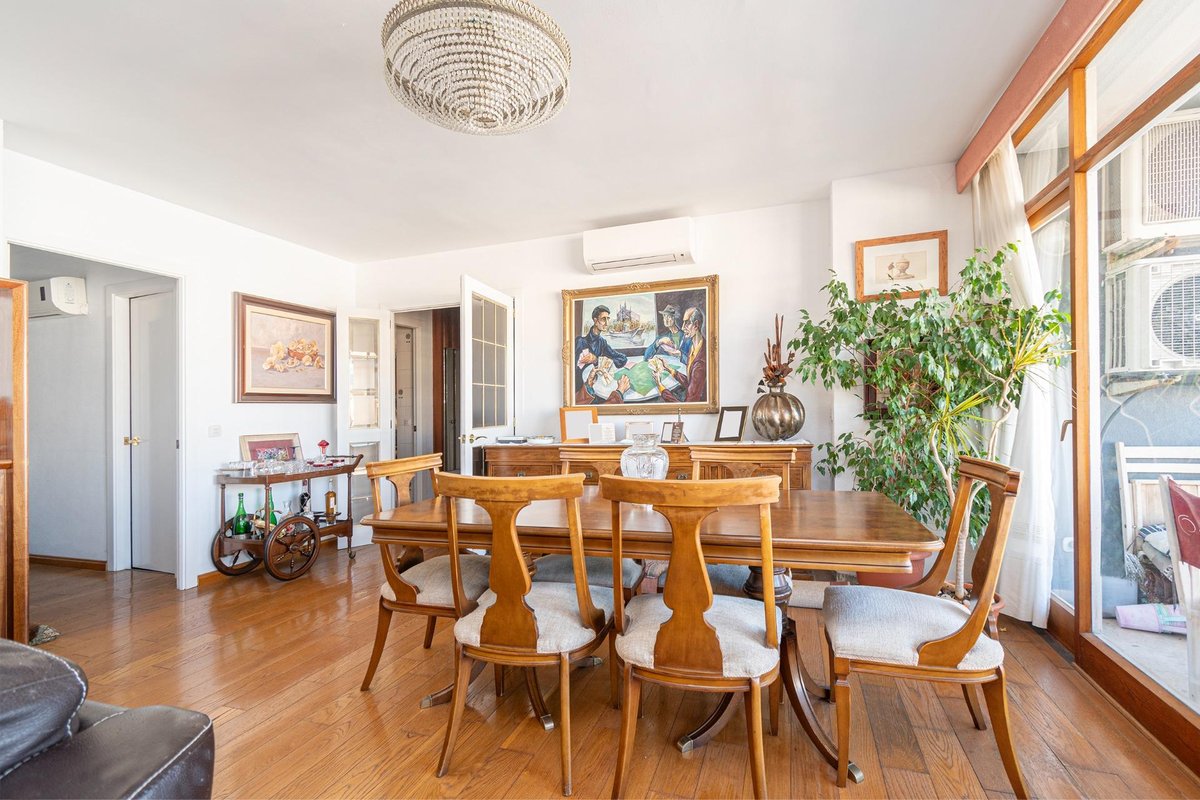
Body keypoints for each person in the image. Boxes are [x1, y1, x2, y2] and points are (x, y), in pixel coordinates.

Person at [574, 304, 631, 402]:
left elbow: (622, 359)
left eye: (608, 319)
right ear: (595, 321)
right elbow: (573, 373)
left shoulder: (602, 342)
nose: (607, 323)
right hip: (582, 394)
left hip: (598, 387)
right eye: (604, 319)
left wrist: (598, 360)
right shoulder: (580, 342)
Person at [654, 306, 706, 404]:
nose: (682, 327)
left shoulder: (700, 363)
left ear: (696, 325)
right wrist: (669, 368)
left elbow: (688, 406)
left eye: (687, 323)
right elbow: (691, 382)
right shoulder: (694, 347)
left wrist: (660, 386)